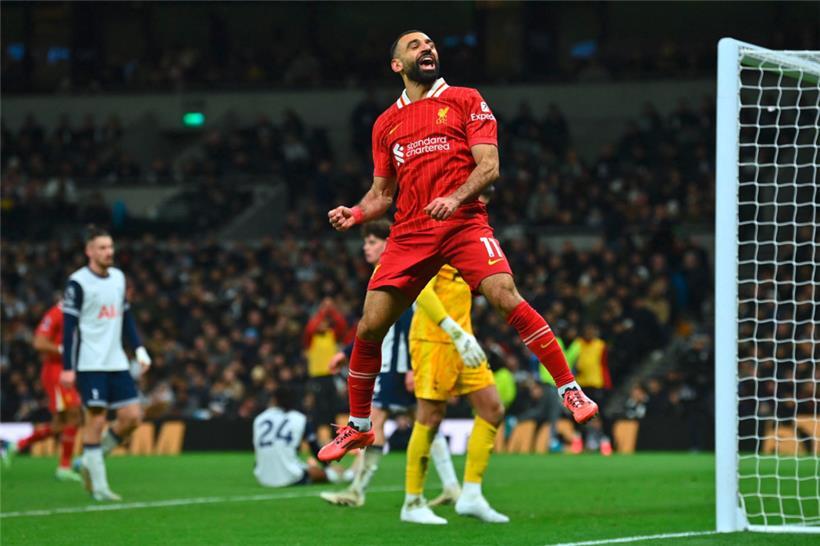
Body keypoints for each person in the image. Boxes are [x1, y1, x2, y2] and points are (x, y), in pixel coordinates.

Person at [319, 30, 598, 464]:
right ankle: (357, 427)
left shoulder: (467, 99)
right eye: (414, 46)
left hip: (463, 222)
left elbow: (490, 167)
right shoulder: (385, 124)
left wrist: (455, 197)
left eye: (429, 44)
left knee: (506, 296)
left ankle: (569, 388)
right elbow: (382, 195)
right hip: (410, 231)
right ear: (397, 65)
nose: (426, 48)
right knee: (369, 328)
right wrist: (354, 213)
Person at [320, 220, 464, 510]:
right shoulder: (384, 272)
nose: (366, 247)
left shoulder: (402, 271)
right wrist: (348, 351)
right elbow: (374, 326)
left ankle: (357, 490)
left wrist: (413, 365)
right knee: (424, 420)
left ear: (388, 243)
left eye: (372, 242)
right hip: (393, 364)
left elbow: (413, 319)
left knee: (378, 420)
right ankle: (451, 486)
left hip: (399, 366)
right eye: (365, 242)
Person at [401, 187, 508, 524]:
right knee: (430, 417)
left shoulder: (470, 231)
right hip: (435, 338)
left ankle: (472, 495)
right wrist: (455, 331)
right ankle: (412, 502)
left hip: (464, 339)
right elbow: (421, 288)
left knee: (492, 408)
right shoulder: (434, 224)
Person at [59, 225, 152, 501]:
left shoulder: (119, 278)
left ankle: (90, 460)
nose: (108, 252)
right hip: (90, 364)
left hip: (116, 362)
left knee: (132, 417)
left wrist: (139, 349)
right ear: (89, 251)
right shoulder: (77, 282)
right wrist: (67, 366)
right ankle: (99, 487)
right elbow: (69, 328)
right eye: (102, 247)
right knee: (96, 421)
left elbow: (126, 317)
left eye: (110, 247)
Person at [1, 298, 83, 481]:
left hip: (65, 371)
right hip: (56, 373)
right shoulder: (57, 313)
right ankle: (64, 467)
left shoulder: (77, 313)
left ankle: (16, 445)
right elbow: (39, 343)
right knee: (74, 415)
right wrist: (64, 350)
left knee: (61, 423)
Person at [253, 387, 350, 488]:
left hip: (262, 477)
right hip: (289, 475)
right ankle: (336, 475)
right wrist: (328, 467)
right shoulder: (299, 418)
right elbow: (314, 449)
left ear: (274, 399)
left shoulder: (259, 419)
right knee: (318, 472)